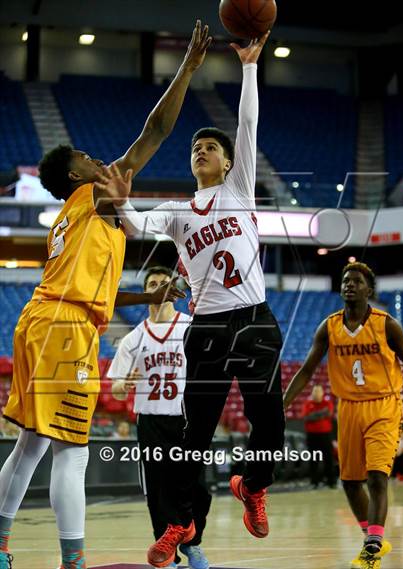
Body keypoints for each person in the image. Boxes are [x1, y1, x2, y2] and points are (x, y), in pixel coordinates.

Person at [0, 21, 211, 569]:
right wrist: (186, 69)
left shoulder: (75, 222)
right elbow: (154, 133)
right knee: (73, 453)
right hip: (64, 328)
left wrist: (153, 297)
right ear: (76, 174)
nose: (102, 161)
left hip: (42, 319)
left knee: (31, 446)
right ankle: (72, 562)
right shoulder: (93, 194)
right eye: (91, 159)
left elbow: (99, 294)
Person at [109, 31, 285, 568]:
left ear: (229, 164)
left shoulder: (238, 190)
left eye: (209, 147)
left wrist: (250, 67)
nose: (200, 151)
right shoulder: (180, 211)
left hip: (253, 319)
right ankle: (181, 524)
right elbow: (139, 223)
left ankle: (252, 486)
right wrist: (120, 204)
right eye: (194, 148)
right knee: (194, 435)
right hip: (207, 326)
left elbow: (248, 126)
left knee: (271, 426)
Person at [283, 262, 403, 569]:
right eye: (346, 281)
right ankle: (372, 536)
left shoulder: (387, 325)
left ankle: (371, 550)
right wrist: (281, 405)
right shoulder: (328, 326)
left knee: (376, 476)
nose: (349, 285)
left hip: (383, 404)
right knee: (349, 481)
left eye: (357, 281)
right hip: (348, 408)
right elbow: (306, 371)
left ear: (369, 290)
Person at [109, 266, 211, 569]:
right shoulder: (133, 338)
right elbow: (114, 388)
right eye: (151, 284)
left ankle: (193, 543)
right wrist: (124, 384)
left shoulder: (191, 327)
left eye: (163, 283)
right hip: (151, 421)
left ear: (175, 291)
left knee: (198, 489)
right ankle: (170, 555)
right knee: (158, 490)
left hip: (185, 420)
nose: (157, 287)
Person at [302, 384, 336, 488]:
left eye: (318, 391)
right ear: (312, 393)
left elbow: (328, 414)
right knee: (313, 459)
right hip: (312, 435)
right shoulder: (308, 404)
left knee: (329, 459)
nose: (316, 394)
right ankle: (314, 482)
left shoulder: (327, 403)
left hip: (326, 435)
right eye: (315, 392)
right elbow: (307, 417)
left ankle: (331, 482)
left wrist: (314, 415)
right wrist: (321, 414)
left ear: (322, 393)